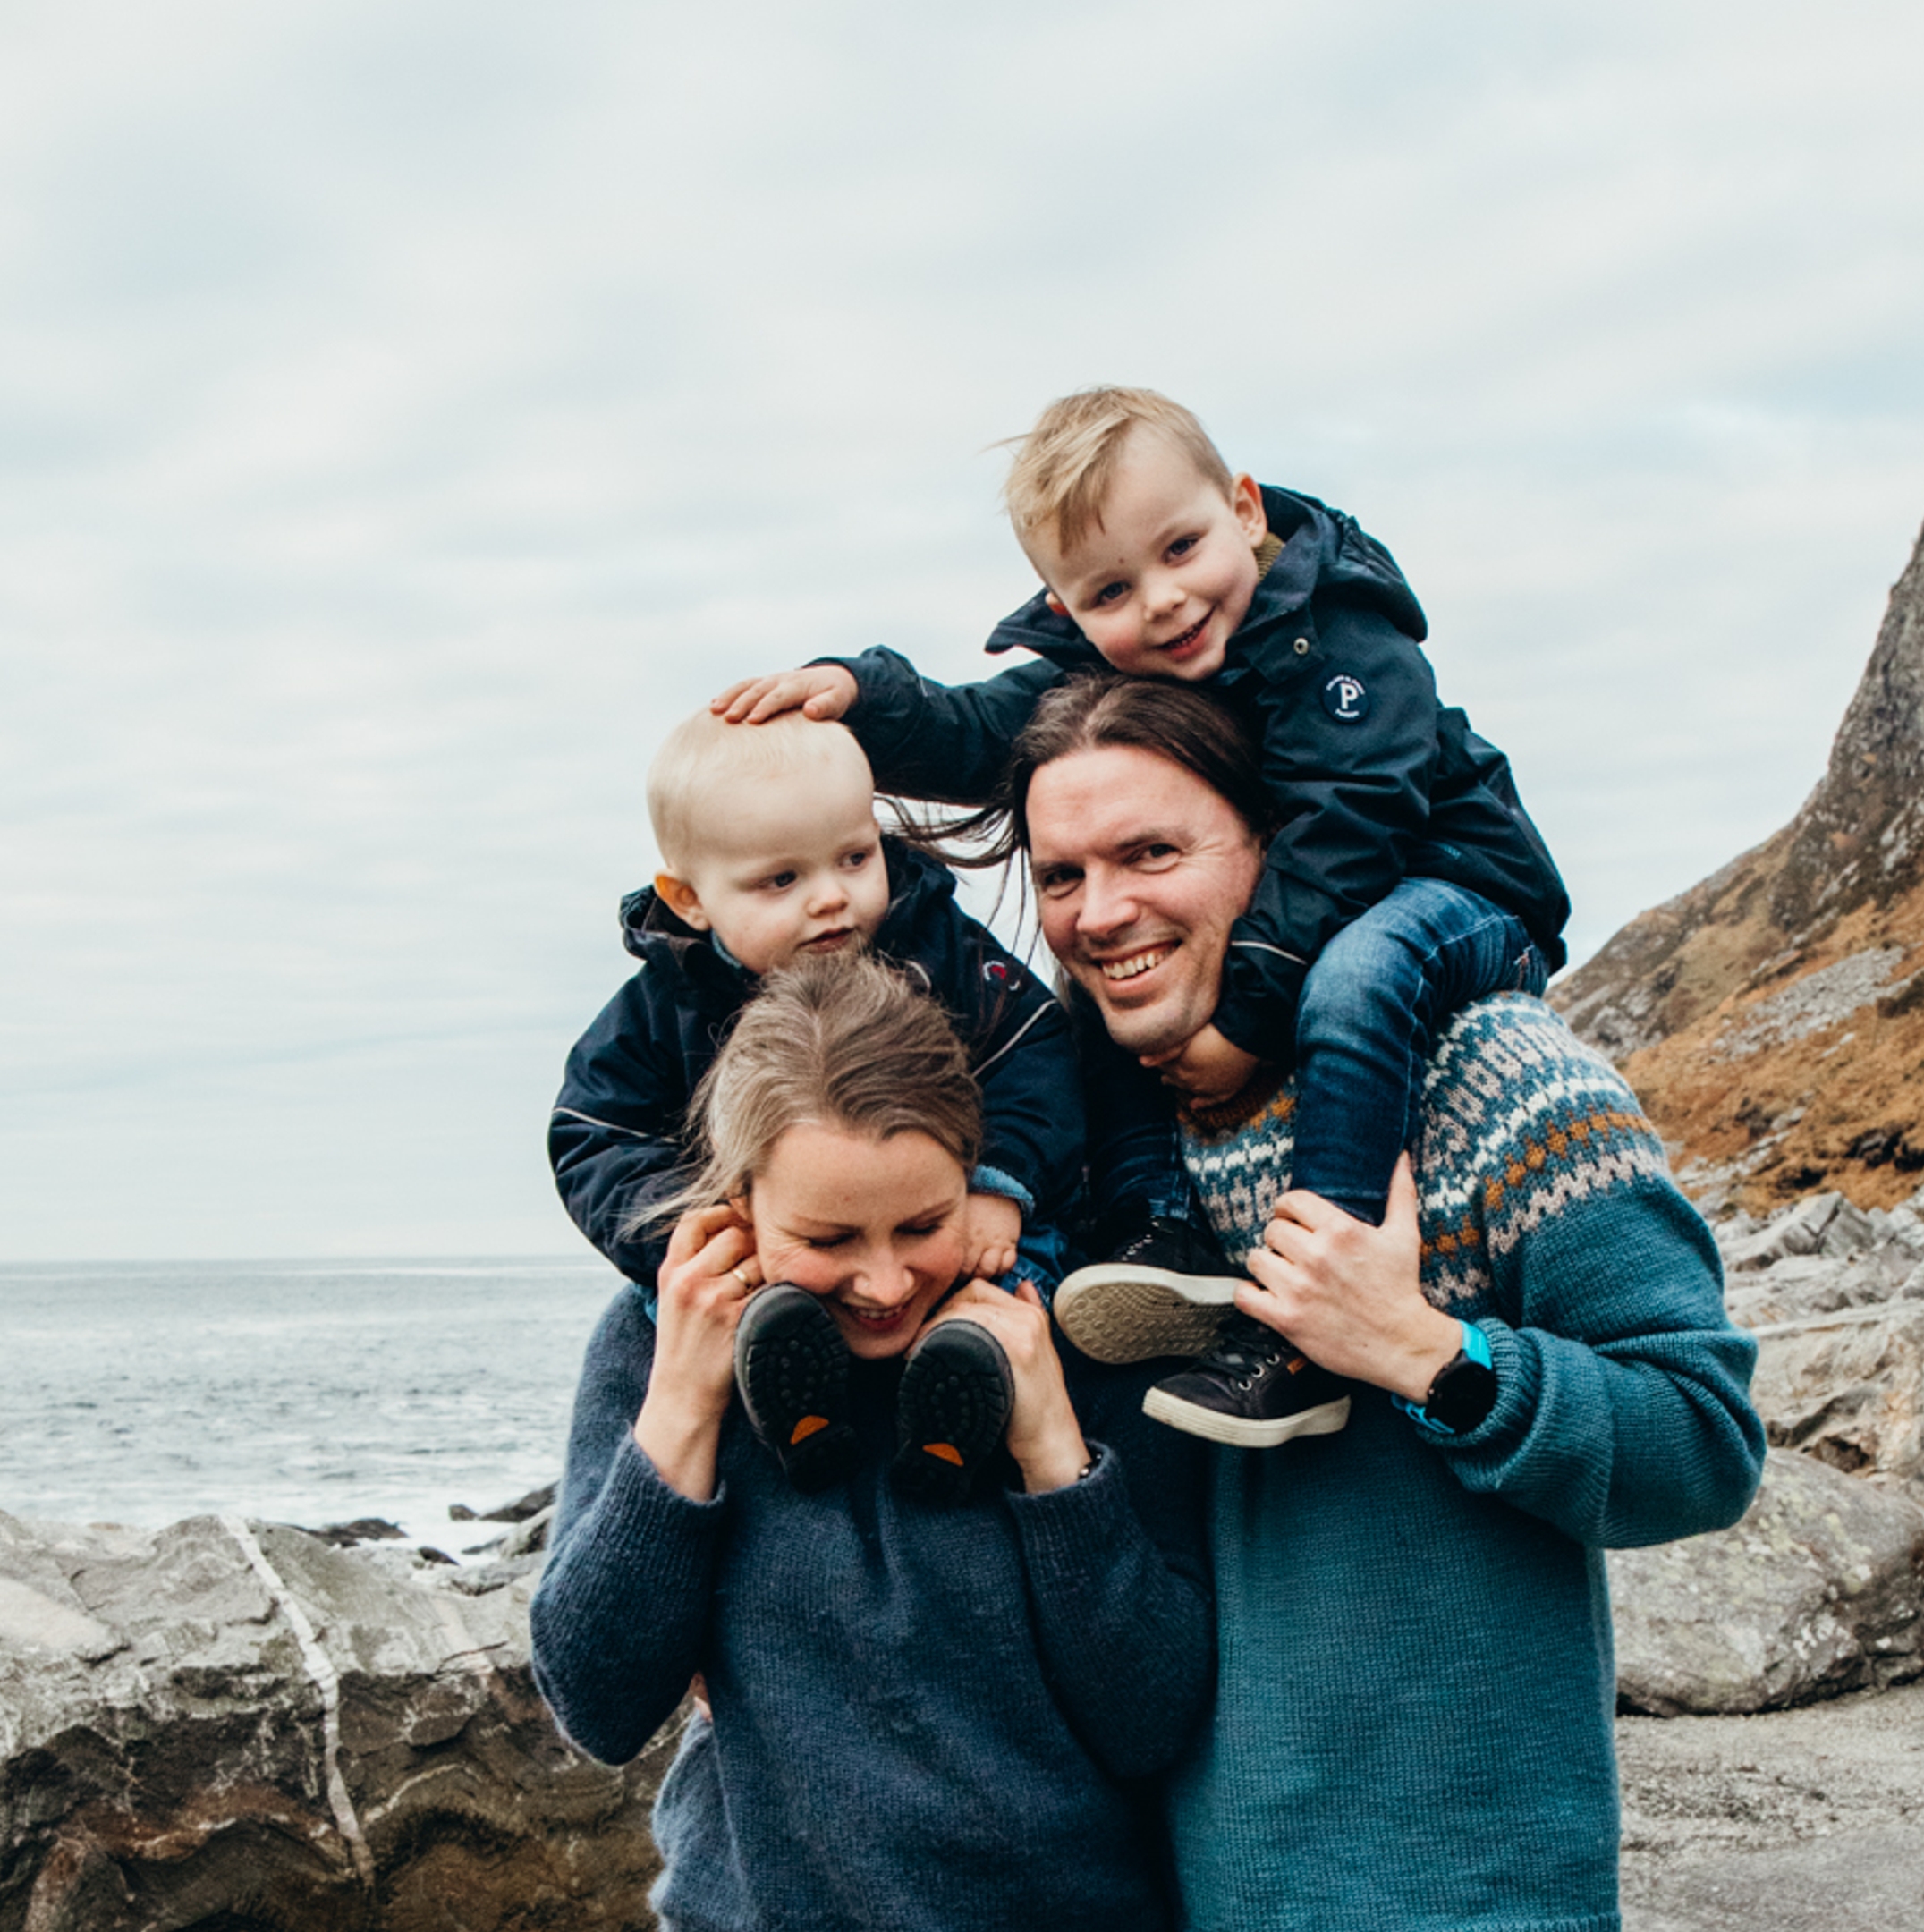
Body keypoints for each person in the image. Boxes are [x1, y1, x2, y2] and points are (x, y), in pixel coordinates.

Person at [1003, 673, 1765, 1932]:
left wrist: (1423, 1354)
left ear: (1274, 841)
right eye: (1063, 874)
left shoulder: (1493, 1076)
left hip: (1470, 1893)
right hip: (1192, 1888)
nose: (1102, 912)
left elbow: (1703, 1445)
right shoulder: (1091, 1157)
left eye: (1151, 853)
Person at [714, 386, 1569, 1450]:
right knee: (1099, 1011)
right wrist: (859, 694)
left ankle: (1317, 1292)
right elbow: (979, 727)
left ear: (1247, 510)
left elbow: (1354, 821)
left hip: (1463, 883)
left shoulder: (1338, 641)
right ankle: (1159, 1227)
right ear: (1067, 612)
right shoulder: (1134, 666)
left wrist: (1246, 1024)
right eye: (1113, 587)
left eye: (1180, 549)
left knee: (1359, 973)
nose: (1162, 603)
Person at [529, 954, 1214, 1931]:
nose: (886, 1284)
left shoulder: (1075, 1332)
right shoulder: (656, 1342)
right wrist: (682, 1401)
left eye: (923, 1225)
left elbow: (1152, 1720)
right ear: (740, 1204)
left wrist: (1054, 1452)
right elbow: (598, 1707)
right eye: (829, 1239)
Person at [544, 708, 1081, 1501]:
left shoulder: (940, 945)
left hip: (976, 1247)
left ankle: (965, 1391)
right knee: (692, 1302)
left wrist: (995, 1185)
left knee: (1024, 1264)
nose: (833, 898)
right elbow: (593, 1132)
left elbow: (1037, 1055)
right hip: (757, 1275)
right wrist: (696, 1235)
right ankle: (786, 1402)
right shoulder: (664, 1004)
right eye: (783, 879)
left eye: (856, 857)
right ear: (689, 899)